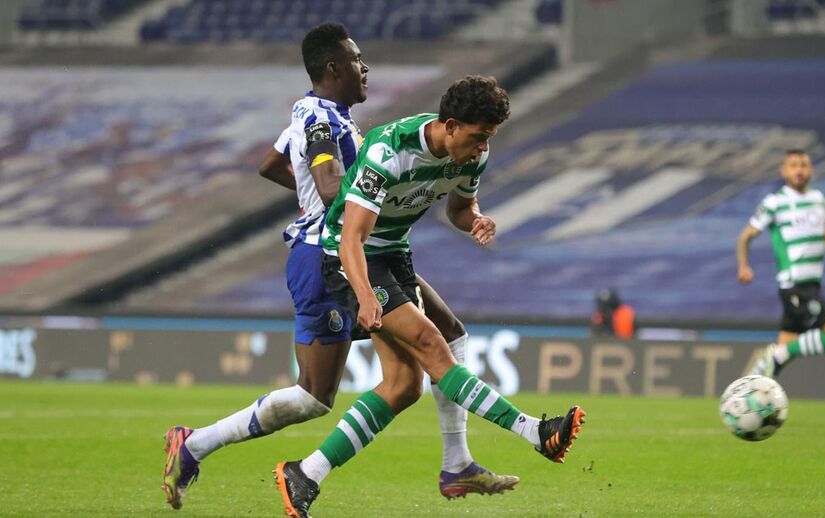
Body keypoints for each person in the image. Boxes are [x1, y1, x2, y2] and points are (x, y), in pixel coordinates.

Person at [161, 24, 516, 511]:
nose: (364, 67)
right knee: (315, 396)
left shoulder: (329, 117)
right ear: (334, 68)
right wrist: (357, 197)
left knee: (438, 344)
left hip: (366, 250)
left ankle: (456, 462)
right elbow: (332, 187)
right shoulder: (318, 119)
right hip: (327, 253)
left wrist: (342, 198)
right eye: (356, 59)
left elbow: (271, 164)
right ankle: (196, 444)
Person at [273, 75, 586, 518]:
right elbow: (350, 238)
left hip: (393, 254)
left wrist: (476, 220)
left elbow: (459, 209)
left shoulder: (472, 154)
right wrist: (365, 296)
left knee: (404, 385)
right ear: (451, 125)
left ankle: (306, 473)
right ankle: (534, 432)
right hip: (349, 257)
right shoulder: (389, 151)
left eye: (489, 138)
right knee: (433, 344)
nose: (482, 148)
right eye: (477, 137)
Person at [736, 149, 825, 378]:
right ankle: (777, 356)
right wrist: (743, 266)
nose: (799, 170)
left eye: (804, 165)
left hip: (812, 285)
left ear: (811, 170)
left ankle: (751, 393)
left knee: (779, 359)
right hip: (795, 285)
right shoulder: (775, 202)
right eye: (793, 165)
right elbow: (746, 235)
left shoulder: (817, 199)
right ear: (784, 171)